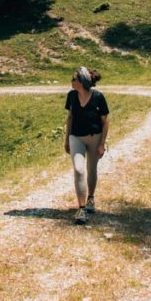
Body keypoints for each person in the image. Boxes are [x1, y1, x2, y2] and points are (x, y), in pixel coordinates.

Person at [64, 66, 109, 224]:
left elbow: (105, 121)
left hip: (94, 138)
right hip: (76, 137)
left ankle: (91, 198)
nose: (71, 81)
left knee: (91, 169)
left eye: (73, 79)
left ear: (81, 82)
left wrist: (102, 144)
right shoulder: (71, 96)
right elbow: (70, 118)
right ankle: (81, 209)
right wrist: (66, 139)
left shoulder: (98, 97)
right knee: (78, 169)